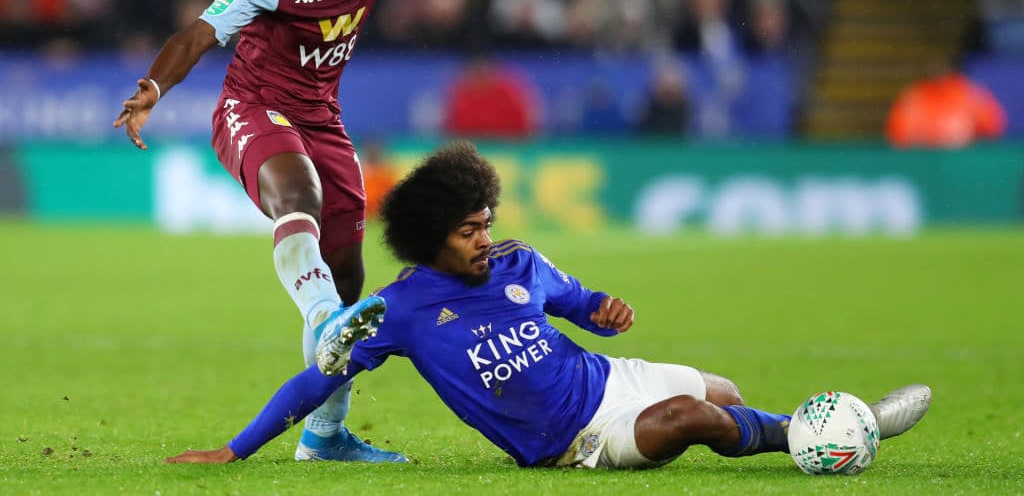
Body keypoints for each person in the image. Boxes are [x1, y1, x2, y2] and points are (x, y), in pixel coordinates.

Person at [113, 0, 529, 462]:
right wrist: (153, 87)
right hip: (253, 106)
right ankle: (323, 316)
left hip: (321, 118)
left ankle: (325, 435)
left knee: (348, 276)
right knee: (298, 197)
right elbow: (199, 33)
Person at [166, 141, 932, 469]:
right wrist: (237, 449)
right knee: (690, 419)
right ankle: (822, 438)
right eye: (469, 231)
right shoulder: (399, 310)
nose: (485, 240)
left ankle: (819, 428)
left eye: (486, 223)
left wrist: (604, 311)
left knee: (724, 395)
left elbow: (579, 302)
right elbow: (316, 382)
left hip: (611, 380)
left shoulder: (518, 264)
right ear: (430, 239)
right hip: (570, 440)